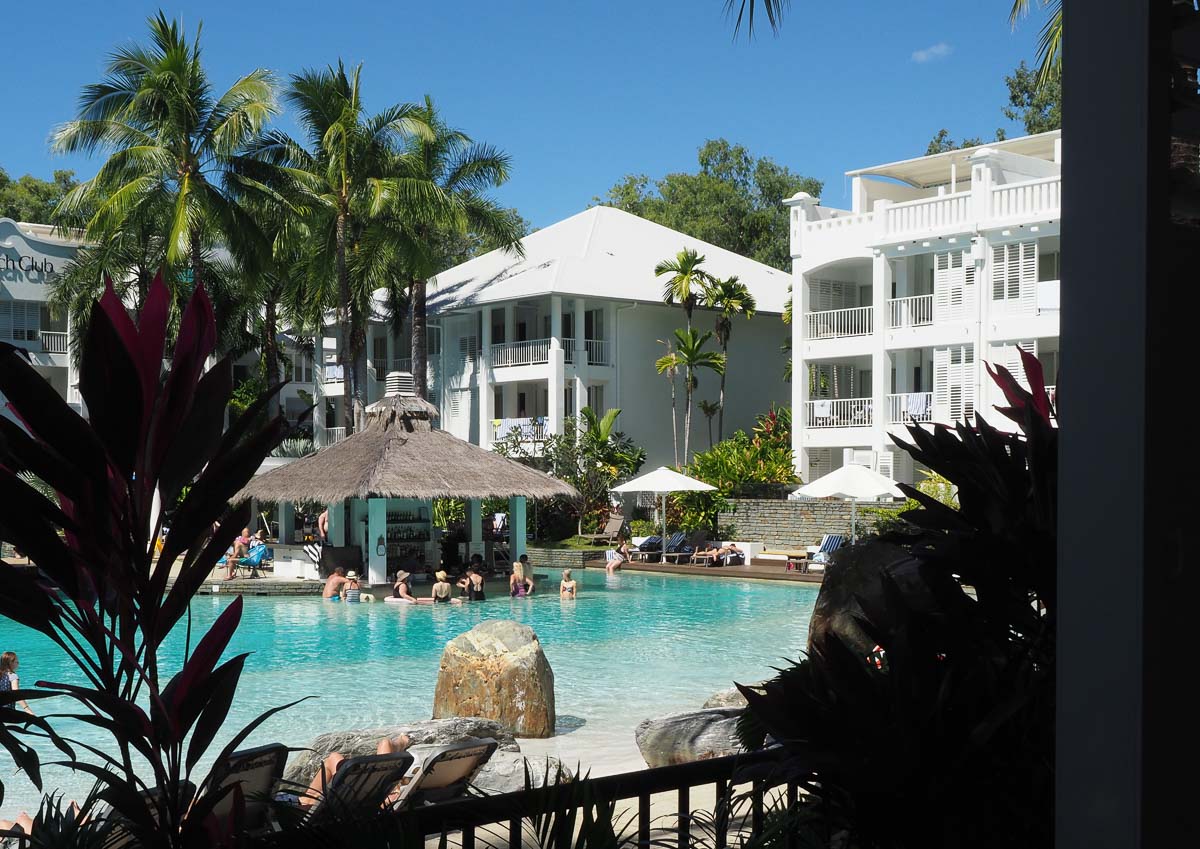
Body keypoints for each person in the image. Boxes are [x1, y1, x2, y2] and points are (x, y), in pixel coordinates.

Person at [295, 735, 412, 808]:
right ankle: (401, 742)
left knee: (333, 757)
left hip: (350, 797)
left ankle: (400, 742)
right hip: (354, 801)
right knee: (385, 743)